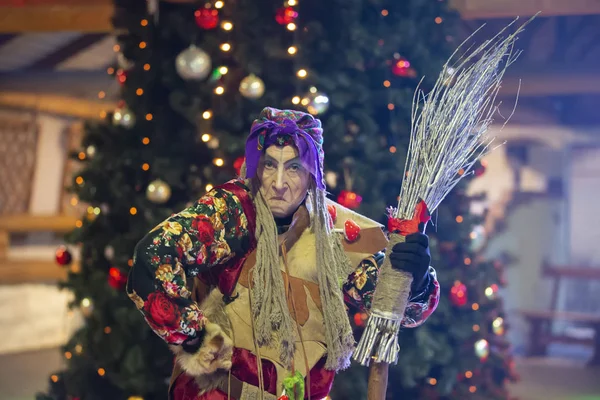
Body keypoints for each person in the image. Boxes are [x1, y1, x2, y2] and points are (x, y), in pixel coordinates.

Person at [127, 107, 440, 400]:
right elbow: (152, 256)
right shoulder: (232, 212)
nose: (278, 183)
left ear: (312, 174)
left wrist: (418, 279)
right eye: (269, 165)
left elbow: (393, 307)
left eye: (293, 167)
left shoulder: (338, 230)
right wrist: (196, 337)